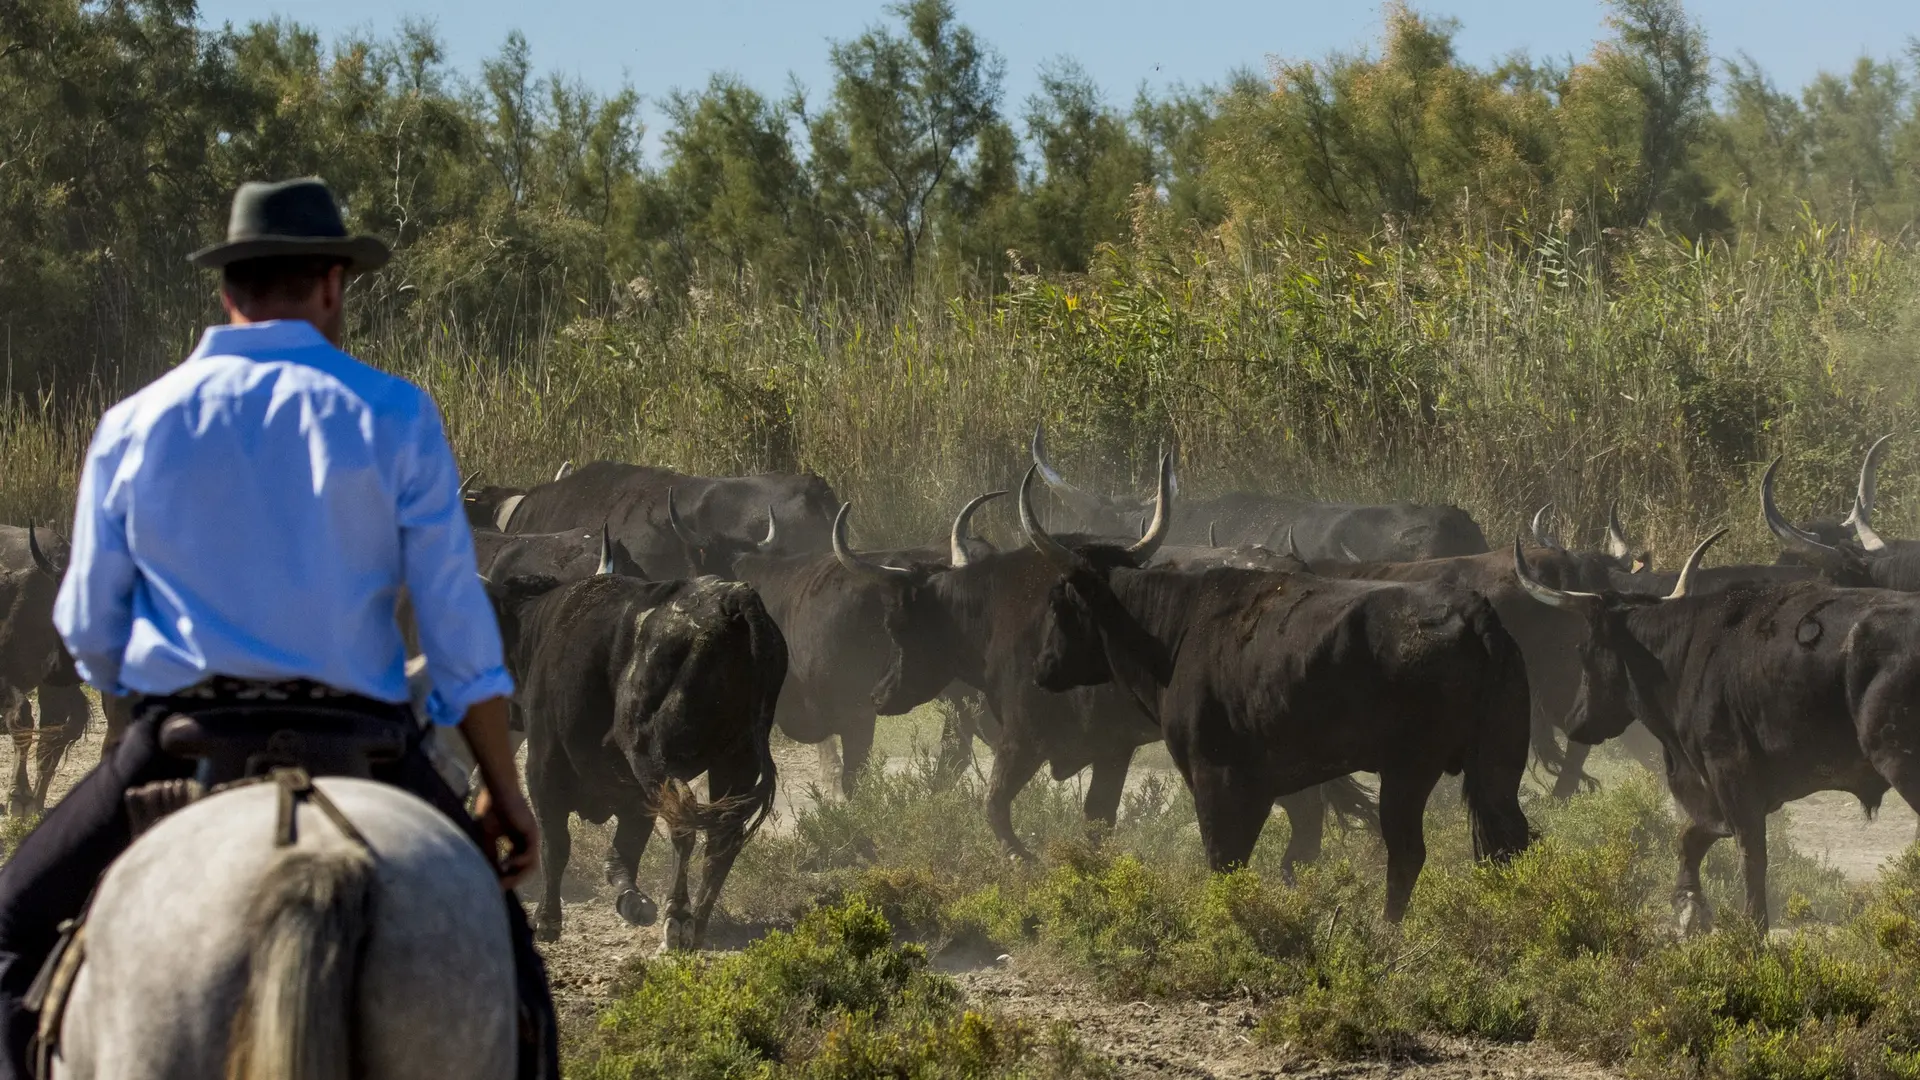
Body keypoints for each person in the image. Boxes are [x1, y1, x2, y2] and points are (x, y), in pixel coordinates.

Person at [0, 178, 556, 1079]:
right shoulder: (396, 413)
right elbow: (460, 638)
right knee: (519, 985)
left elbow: (91, 632)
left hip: (184, 743)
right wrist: (503, 788)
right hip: (369, 747)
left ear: (229, 289)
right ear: (334, 284)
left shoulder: (134, 423)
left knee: (10, 929)